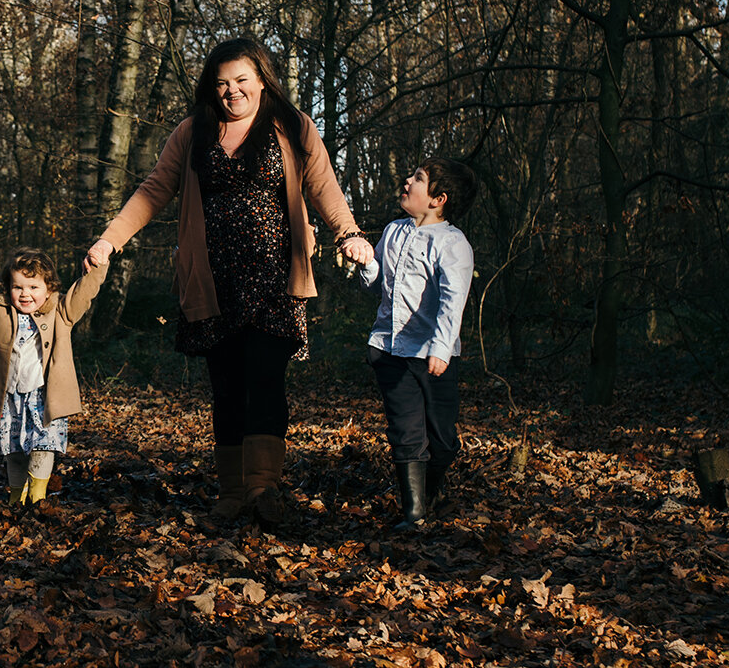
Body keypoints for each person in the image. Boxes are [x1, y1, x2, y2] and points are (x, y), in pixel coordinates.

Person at [84, 38, 374, 527]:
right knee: (226, 387)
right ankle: (232, 494)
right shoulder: (192, 131)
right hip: (213, 281)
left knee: (264, 380)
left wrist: (348, 233)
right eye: (222, 83)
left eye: (241, 80)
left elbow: (322, 184)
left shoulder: (293, 126)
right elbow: (154, 189)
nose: (232, 91)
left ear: (262, 79)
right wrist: (110, 240)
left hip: (275, 279)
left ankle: (264, 490)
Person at [357, 157, 477, 529]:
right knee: (406, 432)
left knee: (442, 441)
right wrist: (364, 260)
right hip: (390, 350)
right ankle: (414, 514)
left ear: (438, 199)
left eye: (418, 179)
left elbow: (452, 300)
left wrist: (441, 348)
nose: (407, 181)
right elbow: (375, 284)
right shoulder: (393, 231)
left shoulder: (452, 243)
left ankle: (430, 495)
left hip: (431, 356)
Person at [0, 247, 109, 508]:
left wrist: (98, 269)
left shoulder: (61, 312)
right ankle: (16, 496)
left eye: (33, 287)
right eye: (18, 287)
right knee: (13, 450)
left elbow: (83, 294)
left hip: (44, 397)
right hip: (9, 398)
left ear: (49, 288)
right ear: (7, 288)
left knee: (43, 446)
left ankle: (37, 497)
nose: (25, 294)